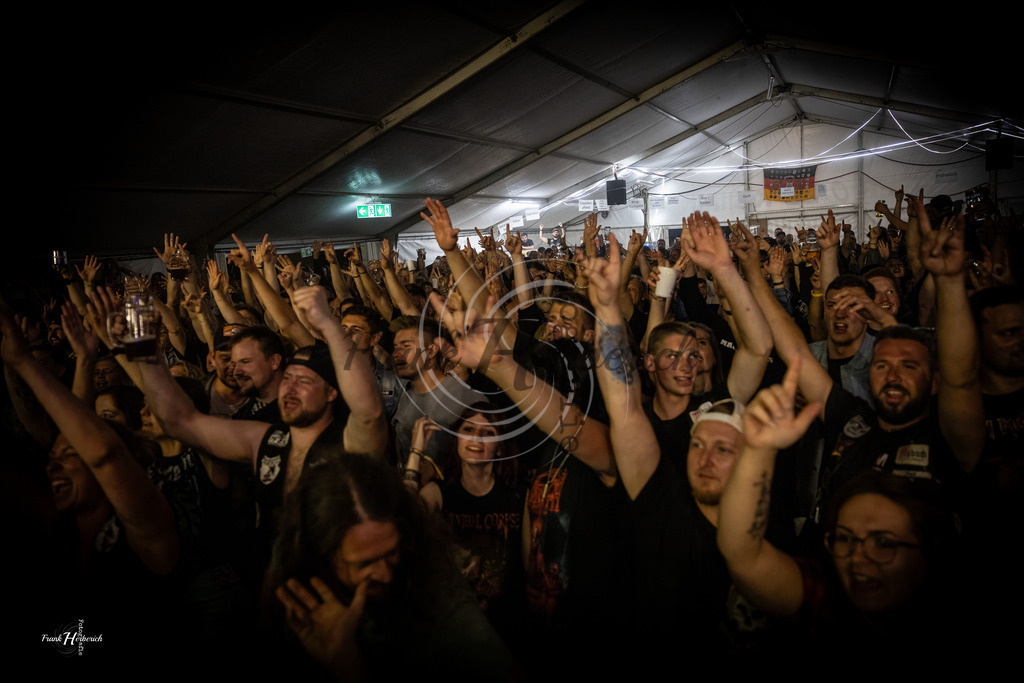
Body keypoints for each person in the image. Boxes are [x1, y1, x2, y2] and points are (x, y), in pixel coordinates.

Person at [717, 364, 970, 657]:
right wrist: (759, 449)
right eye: (845, 538)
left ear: (927, 547)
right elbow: (743, 553)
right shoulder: (829, 600)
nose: (858, 558)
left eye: (883, 542)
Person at [132, 286, 387, 564]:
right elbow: (180, 421)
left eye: (303, 381)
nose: (289, 388)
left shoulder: (349, 443)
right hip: (273, 579)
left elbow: (369, 412)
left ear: (331, 393)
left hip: (340, 577)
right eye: (288, 379)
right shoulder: (262, 438)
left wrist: (329, 324)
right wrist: (144, 347)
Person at [270, 453, 513, 680]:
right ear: (322, 556)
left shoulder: (435, 582)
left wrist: (348, 668)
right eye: (364, 564)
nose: (385, 574)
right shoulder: (300, 593)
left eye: (392, 553)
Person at [412, 406, 524, 641]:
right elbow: (403, 522)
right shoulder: (438, 493)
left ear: (500, 447)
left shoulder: (517, 498)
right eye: (469, 429)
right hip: (452, 627)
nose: (475, 438)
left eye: (488, 433)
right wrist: (415, 453)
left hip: (508, 628)